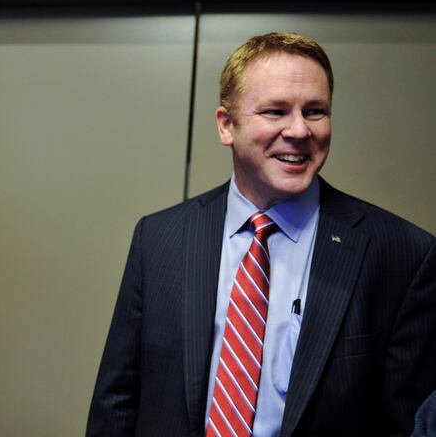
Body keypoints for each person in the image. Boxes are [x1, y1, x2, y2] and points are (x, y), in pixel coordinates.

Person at [87, 32, 435, 436]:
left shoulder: (403, 254)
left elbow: (407, 423)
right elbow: (117, 405)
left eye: (316, 111)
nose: (300, 130)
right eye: (275, 111)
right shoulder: (160, 238)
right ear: (226, 126)